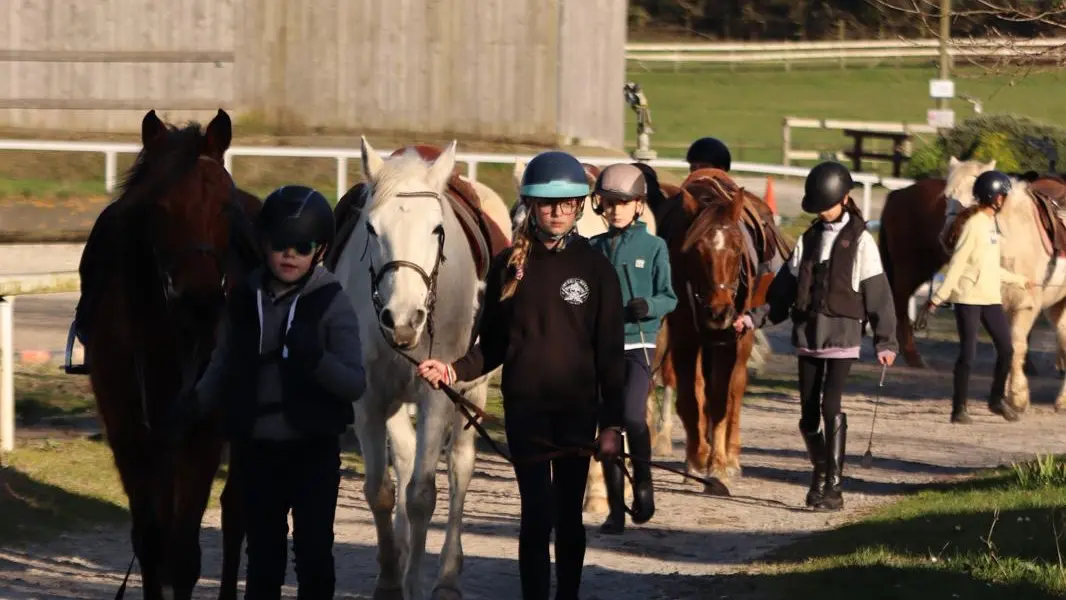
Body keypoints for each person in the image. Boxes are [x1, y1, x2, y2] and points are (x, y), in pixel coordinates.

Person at [416, 150, 627, 600]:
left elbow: (611, 355)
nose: (557, 212)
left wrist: (612, 424)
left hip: (576, 413)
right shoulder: (507, 266)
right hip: (525, 413)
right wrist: (452, 370)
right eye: (547, 204)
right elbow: (492, 344)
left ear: (580, 205)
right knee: (535, 516)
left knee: (568, 516)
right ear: (530, 204)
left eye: (567, 203)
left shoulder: (597, 269)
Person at [175, 185, 367, 599]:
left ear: (319, 250)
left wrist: (316, 359)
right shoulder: (244, 299)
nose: (289, 255)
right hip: (256, 450)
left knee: (313, 554)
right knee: (263, 556)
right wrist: (194, 404)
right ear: (263, 245)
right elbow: (223, 361)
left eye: (302, 247)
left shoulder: (333, 302)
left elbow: (355, 382)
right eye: (280, 245)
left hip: (312, 451)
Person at [735, 161, 897, 512]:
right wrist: (753, 317)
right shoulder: (808, 240)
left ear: (844, 199)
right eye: (818, 207)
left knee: (830, 406)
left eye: (827, 206)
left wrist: (886, 341)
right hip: (808, 334)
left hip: (842, 335)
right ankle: (820, 472)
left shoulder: (862, 242)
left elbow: (878, 295)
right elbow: (783, 293)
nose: (822, 212)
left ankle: (833, 488)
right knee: (808, 416)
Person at [588, 163, 677, 534]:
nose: (615, 210)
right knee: (608, 429)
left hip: (639, 343)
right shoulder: (592, 248)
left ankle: (643, 481)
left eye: (623, 203)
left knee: (634, 417)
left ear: (639, 205)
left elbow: (669, 297)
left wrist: (649, 306)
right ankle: (614, 510)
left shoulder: (654, 247)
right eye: (609, 203)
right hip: (601, 349)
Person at [915, 170, 1031, 424]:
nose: (1005, 200)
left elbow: (990, 267)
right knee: (968, 354)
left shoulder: (990, 225)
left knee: (1006, 349)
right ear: (994, 197)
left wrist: (1019, 280)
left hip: (990, 297)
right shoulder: (974, 225)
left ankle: (996, 399)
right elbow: (958, 263)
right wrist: (937, 298)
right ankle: (959, 408)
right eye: (1003, 195)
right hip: (968, 298)